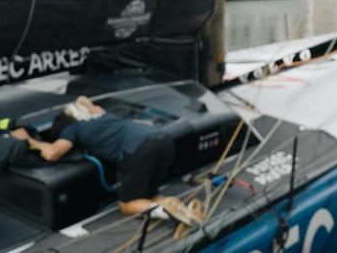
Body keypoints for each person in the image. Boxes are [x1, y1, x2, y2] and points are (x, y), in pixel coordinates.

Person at [10, 96, 201, 226]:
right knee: (146, 194)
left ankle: (163, 210)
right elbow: (84, 100)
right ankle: (177, 207)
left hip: (139, 149)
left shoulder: (72, 129)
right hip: (164, 140)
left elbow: (53, 153)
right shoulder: (101, 114)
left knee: (126, 205)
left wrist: (28, 139)